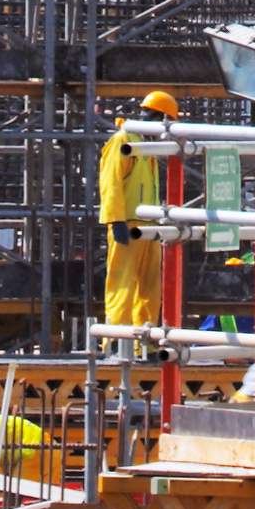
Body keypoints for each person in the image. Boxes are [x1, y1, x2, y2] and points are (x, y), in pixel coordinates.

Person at [100, 90, 182, 341]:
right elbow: (110, 182)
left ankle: (145, 343)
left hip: (149, 225)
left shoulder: (145, 146)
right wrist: (115, 220)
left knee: (149, 287)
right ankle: (116, 341)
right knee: (122, 284)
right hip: (127, 223)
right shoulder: (124, 140)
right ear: (159, 117)